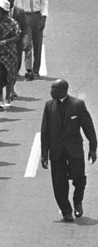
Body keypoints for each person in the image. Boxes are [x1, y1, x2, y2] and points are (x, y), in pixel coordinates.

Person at [41, 80, 97, 222]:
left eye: (54, 89)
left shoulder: (77, 105)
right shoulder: (49, 106)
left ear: (64, 90)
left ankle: (77, 201)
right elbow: (45, 130)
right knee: (59, 182)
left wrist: (93, 148)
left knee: (79, 177)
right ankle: (66, 211)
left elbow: (88, 127)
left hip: (74, 149)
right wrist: (44, 154)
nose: (51, 91)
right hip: (56, 150)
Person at [13, 0, 48, 81]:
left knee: (37, 44)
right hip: (26, 17)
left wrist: (43, 19)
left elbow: (44, 3)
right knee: (27, 44)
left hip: (37, 16)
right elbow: (18, 4)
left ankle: (36, 70)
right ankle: (28, 70)